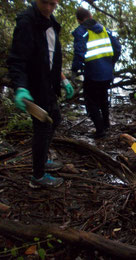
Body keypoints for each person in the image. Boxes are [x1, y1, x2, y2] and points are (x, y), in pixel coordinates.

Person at [7, 0, 74, 189]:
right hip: (35, 85)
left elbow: (50, 56)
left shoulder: (52, 22)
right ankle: (37, 176)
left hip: (49, 84)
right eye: (45, 3)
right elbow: (17, 60)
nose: (48, 8)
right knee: (42, 126)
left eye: (53, 4)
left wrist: (63, 79)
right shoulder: (27, 22)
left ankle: (43, 159)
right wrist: (20, 87)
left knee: (56, 118)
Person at [71, 7, 121, 139]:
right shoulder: (105, 29)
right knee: (103, 97)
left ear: (79, 20)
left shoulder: (81, 31)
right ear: (90, 16)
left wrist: (75, 70)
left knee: (91, 102)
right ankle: (106, 124)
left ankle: (100, 130)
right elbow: (117, 47)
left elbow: (79, 52)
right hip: (107, 73)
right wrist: (111, 63)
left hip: (92, 73)